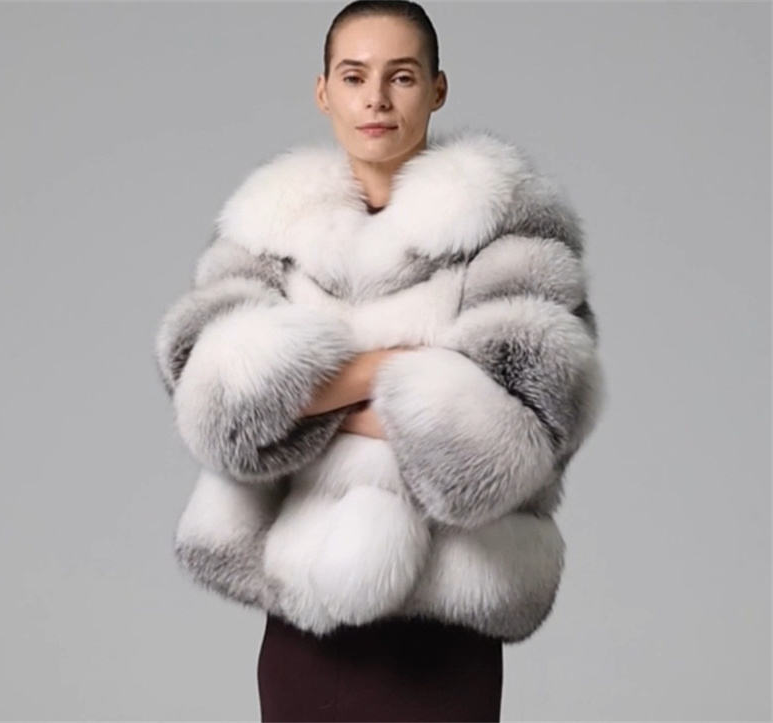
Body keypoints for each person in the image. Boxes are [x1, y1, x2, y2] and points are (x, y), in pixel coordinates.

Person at [153, 1, 605, 720]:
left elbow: (512, 437)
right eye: (354, 76)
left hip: (445, 625)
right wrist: (403, 371)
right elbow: (219, 408)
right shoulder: (266, 234)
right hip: (302, 624)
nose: (376, 99)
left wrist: (307, 398)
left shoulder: (511, 234)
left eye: (401, 76)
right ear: (323, 91)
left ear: (437, 89)